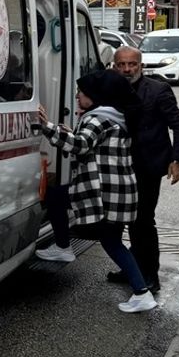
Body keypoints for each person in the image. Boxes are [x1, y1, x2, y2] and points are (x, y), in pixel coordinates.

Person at [37, 69, 156, 313]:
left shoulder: (97, 118)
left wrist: (46, 127)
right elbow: (92, 144)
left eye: (82, 91)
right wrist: (70, 132)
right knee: (111, 240)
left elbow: (80, 146)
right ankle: (141, 292)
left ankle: (63, 248)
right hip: (119, 191)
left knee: (57, 198)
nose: (78, 95)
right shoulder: (115, 115)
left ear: (97, 94)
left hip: (104, 191)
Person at [110, 46, 179, 292]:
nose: (127, 69)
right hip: (119, 167)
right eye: (122, 65)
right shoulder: (111, 90)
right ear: (115, 66)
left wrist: (177, 160)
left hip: (148, 166)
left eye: (132, 64)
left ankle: (150, 275)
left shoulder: (158, 90)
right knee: (125, 221)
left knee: (143, 222)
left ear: (140, 66)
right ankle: (131, 268)